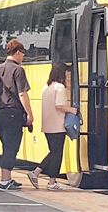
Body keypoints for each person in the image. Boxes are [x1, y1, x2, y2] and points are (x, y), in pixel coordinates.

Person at [0, 39, 34, 191]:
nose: (23, 57)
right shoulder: (18, 70)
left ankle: (7, 178)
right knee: (11, 147)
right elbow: (22, 94)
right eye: (23, 54)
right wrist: (29, 114)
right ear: (18, 52)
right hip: (12, 113)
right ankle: (4, 181)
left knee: (6, 146)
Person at [27, 63, 77, 191]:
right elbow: (59, 106)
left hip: (47, 126)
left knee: (53, 152)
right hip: (58, 125)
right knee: (57, 153)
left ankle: (42, 176)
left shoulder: (46, 87)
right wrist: (72, 110)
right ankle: (47, 180)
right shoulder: (59, 88)